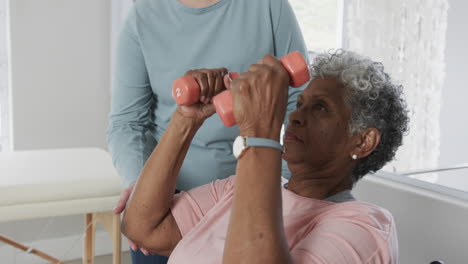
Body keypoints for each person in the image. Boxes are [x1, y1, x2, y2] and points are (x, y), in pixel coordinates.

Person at [121, 50, 409, 263]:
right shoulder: (236, 189)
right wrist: (186, 119)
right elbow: (143, 227)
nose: (295, 115)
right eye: (299, 103)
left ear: (363, 141)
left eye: (320, 108)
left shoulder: (366, 228)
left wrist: (259, 129)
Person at [106, 0, 308, 262]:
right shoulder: (143, 15)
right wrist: (140, 189)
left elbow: (299, 104)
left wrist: (279, 187)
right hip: (170, 204)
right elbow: (126, 122)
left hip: (252, 196)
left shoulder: (269, 6)